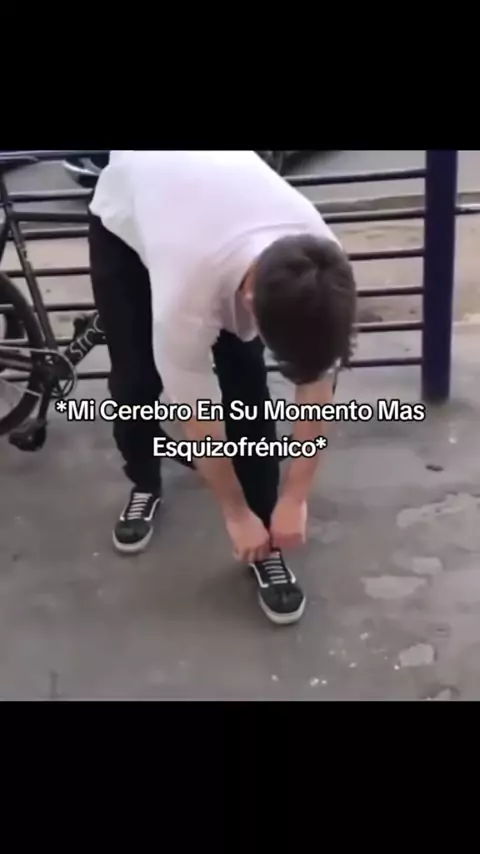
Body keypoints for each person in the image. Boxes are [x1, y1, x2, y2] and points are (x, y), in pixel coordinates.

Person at [88, 151, 356, 626]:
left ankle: (265, 534)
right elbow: (198, 418)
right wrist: (233, 514)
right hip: (130, 217)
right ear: (251, 300)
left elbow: (317, 388)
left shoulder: (322, 265)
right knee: (137, 382)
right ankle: (144, 480)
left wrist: (295, 497)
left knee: (247, 388)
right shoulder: (187, 295)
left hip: (212, 217)